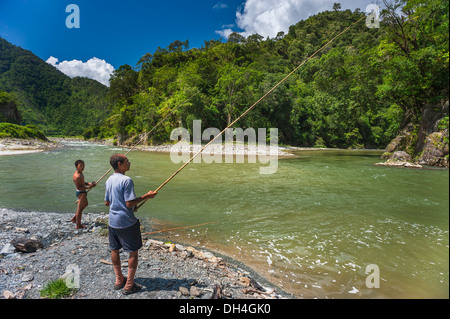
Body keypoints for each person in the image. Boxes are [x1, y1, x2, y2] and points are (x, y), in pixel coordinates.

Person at [104, 154, 157, 295]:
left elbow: (107, 203)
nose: (129, 163)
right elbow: (129, 203)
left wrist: (130, 206)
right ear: (120, 164)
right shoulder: (127, 180)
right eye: (127, 161)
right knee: (133, 252)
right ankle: (129, 285)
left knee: (114, 249)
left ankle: (119, 280)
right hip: (126, 222)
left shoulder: (109, 180)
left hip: (112, 222)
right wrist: (147, 196)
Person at [72, 159, 96, 229]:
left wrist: (89, 184)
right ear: (76, 167)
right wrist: (89, 187)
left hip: (82, 192)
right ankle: (78, 225)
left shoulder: (80, 173)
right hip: (80, 193)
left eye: (83, 165)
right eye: (80, 166)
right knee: (79, 209)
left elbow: (82, 182)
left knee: (85, 204)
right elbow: (80, 187)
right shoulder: (77, 176)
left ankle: (74, 218)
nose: (82, 167)